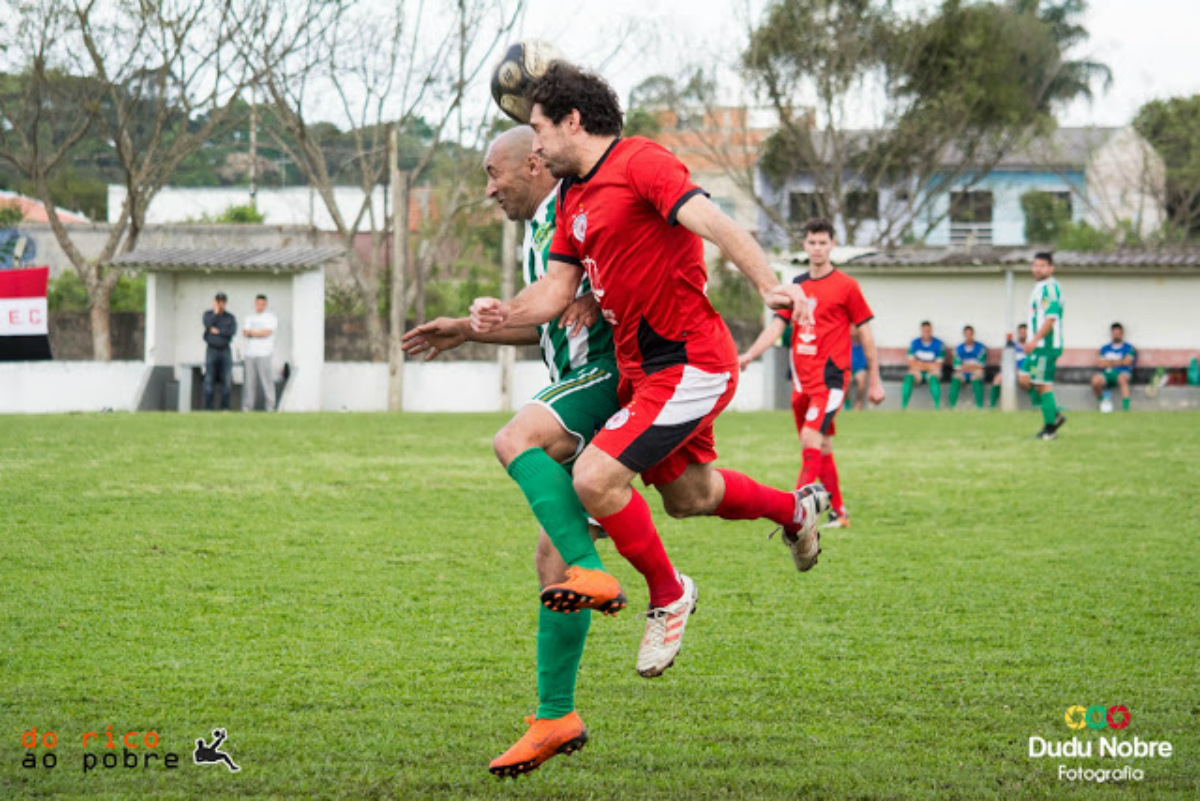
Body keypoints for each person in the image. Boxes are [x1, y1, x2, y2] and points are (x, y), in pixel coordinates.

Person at [470, 62, 827, 681]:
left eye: (539, 127)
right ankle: (795, 512)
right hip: (643, 373)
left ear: (572, 122)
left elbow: (715, 224)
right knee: (691, 496)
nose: (535, 142)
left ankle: (669, 595)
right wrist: (505, 310)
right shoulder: (573, 198)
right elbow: (556, 290)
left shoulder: (642, 163)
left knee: (594, 478)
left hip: (689, 360)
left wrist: (770, 284)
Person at [402, 126, 619, 778]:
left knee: (513, 439)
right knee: (553, 556)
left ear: (534, 161)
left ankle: (595, 572)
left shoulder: (581, 201)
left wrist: (594, 294)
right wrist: (467, 330)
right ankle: (557, 715)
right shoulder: (541, 230)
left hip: (607, 379)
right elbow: (542, 319)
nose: (489, 189)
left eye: (495, 174)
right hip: (575, 383)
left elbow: (636, 257)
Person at [739, 218, 885, 530]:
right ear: (805, 246)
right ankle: (840, 513)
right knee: (822, 447)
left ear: (832, 245)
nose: (817, 248)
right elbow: (776, 328)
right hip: (801, 381)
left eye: (823, 243)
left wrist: (874, 379)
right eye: (812, 242)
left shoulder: (847, 286)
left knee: (809, 439)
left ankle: (794, 513)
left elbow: (867, 336)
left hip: (831, 380)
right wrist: (750, 354)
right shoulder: (796, 288)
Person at [1023, 251, 1066, 439]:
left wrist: (1034, 340)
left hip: (1045, 345)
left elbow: (1050, 318)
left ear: (1051, 268)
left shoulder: (1050, 289)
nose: (1037, 269)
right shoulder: (1039, 288)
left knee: (1043, 385)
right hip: (1038, 344)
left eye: (1042, 266)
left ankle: (1050, 430)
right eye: (1035, 265)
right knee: (1030, 380)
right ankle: (1054, 415)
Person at [242, 294, 278, 411]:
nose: (259, 306)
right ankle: (248, 407)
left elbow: (267, 333)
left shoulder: (270, 318)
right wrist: (257, 333)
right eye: (258, 303)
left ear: (265, 305)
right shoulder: (249, 318)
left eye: (262, 304)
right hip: (250, 354)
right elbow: (246, 332)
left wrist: (253, 333)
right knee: (249, 382)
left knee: (266, 381)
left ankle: (270, 406)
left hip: (264, 354)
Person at [202, 292, 236, 410]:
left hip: (225, 350)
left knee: (226, 380)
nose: (221, 304)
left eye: (222, 302)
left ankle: (224, 407)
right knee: (209, 379)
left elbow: (230, 332)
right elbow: (208, 325)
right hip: (212, 350)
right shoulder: (208, 315)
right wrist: (215, 314)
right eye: (218, 302)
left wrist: (218, 331)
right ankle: (208, 408)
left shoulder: (230, 317)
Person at [1091, 322, 1136, 412]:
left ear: (1122, 333)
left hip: (1122, 372)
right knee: (1095, 380)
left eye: (1118, 333)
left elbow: (1126, 362)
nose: (1116, 335)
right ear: (1111, 333)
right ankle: (1103, 401)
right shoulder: (1105, 348)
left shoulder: (1129, 348)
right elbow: (1101, 364)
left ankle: (1126, 408)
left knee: (1122, 379)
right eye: (1114, 333)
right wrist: (1119, 362)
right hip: (1107, 373)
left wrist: (1109, 362)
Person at [901, 320, 945, 409]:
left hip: (932, 372)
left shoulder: (939, 344)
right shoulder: (914, 343)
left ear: (932, 331)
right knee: (909, 377)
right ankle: (904, 407)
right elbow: (911, 363)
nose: (927, 333)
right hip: (917, 372)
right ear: (921, 331)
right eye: (924, 331)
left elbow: (938, 365)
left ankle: (937, 407)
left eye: (929, 331)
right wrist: (929, 365)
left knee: (933, 379)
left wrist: (920, 364)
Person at [989, 323, 1031, 408]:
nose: (1022, 334)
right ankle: (992, 405)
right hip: (1012, 371)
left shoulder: (1031, 346)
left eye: (1024, 332)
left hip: (1025, 371)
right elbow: (1004, 360)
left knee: (1031, 381)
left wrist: (1024, 371)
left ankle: (1035, 405)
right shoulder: (1011, 346)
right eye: (1021, 332)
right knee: (997, 379)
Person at [949, 325, 987, 409]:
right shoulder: (958, 348)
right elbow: (957, 367)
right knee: (955, 378)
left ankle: (979, 406)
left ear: (973, 335)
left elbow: (981, 366)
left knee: (976, 378)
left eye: (970, 334)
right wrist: (972, 366)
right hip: (963, 372)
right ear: (963, 335)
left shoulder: (981, 348)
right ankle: (952, 407)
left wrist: (965, 366)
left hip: (975, 372)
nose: (968, 336)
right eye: (966, 334)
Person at [844, 327, 869, 411]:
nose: (854, 332)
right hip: (848, 369)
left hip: (860, 369)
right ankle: (847, 402)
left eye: (855, 329)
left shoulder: (864, 343)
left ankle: (859, 403)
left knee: (861, 380)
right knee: (846, 381)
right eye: (852, 329)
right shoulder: (845, 342)